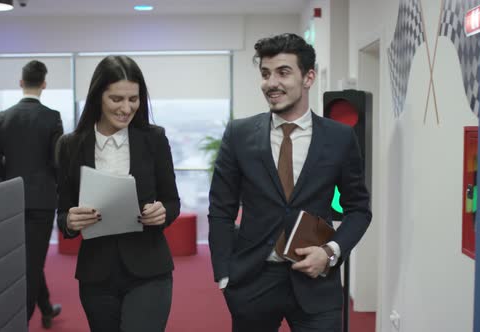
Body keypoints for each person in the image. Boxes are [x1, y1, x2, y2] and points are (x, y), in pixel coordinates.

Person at [208, 33, 372, 332]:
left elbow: (359, 209)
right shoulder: (239, 134)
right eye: (266, 74)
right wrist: (223, 274)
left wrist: (330, 251)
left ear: (308, 77)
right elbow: (221, 209)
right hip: (253, 281)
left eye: (283, 72)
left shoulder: (339, 138)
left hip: (316, 283)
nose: (271, 83)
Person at [56, 55, 180, 332]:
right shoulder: (70, 145)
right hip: (96, 274)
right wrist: (69, 222)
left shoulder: (154, 139)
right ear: (98, 97)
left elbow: (172, 202)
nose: (126, 108)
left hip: (149, 269)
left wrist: (162, 213)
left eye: (133, 99)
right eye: (116, 99)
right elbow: (63, 212)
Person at [0, 60, 63, 327]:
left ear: (21, 83)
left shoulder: (2, 118)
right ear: (44, 83)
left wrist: (10, 179)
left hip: (11, 201)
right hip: (42, 201)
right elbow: (57, 162)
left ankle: (45, 308)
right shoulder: (52, 117)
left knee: (26, 261)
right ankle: (22, 321)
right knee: (32, 264)